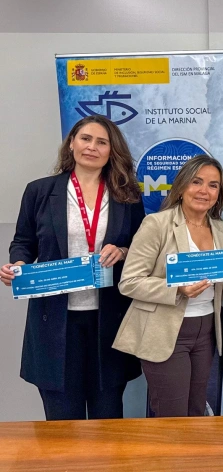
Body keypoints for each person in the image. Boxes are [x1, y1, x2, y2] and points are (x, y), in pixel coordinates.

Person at [1, 115, 144, 420]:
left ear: (112, 151)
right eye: (85, 139)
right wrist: (19, 264)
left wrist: (122, 251)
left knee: (108, 416)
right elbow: (23, 241)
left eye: (102, 142)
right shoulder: (40, 191)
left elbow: (142, 248)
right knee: (62, 420)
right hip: (54, 320)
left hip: (109, 318)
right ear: (71, 144)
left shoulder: (127, 195)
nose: (92, 147)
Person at [113, 155, 223, 417]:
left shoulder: (219, 228)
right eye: (197, 182)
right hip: (166, 329)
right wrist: (177, 290)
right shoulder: (156, 224)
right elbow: (129, 282)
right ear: (182, 186)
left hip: (206, 329)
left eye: (213, 185)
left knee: (197, 410)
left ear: (219, 194)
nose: (204, 190)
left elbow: (216, 280)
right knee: (171, 414)